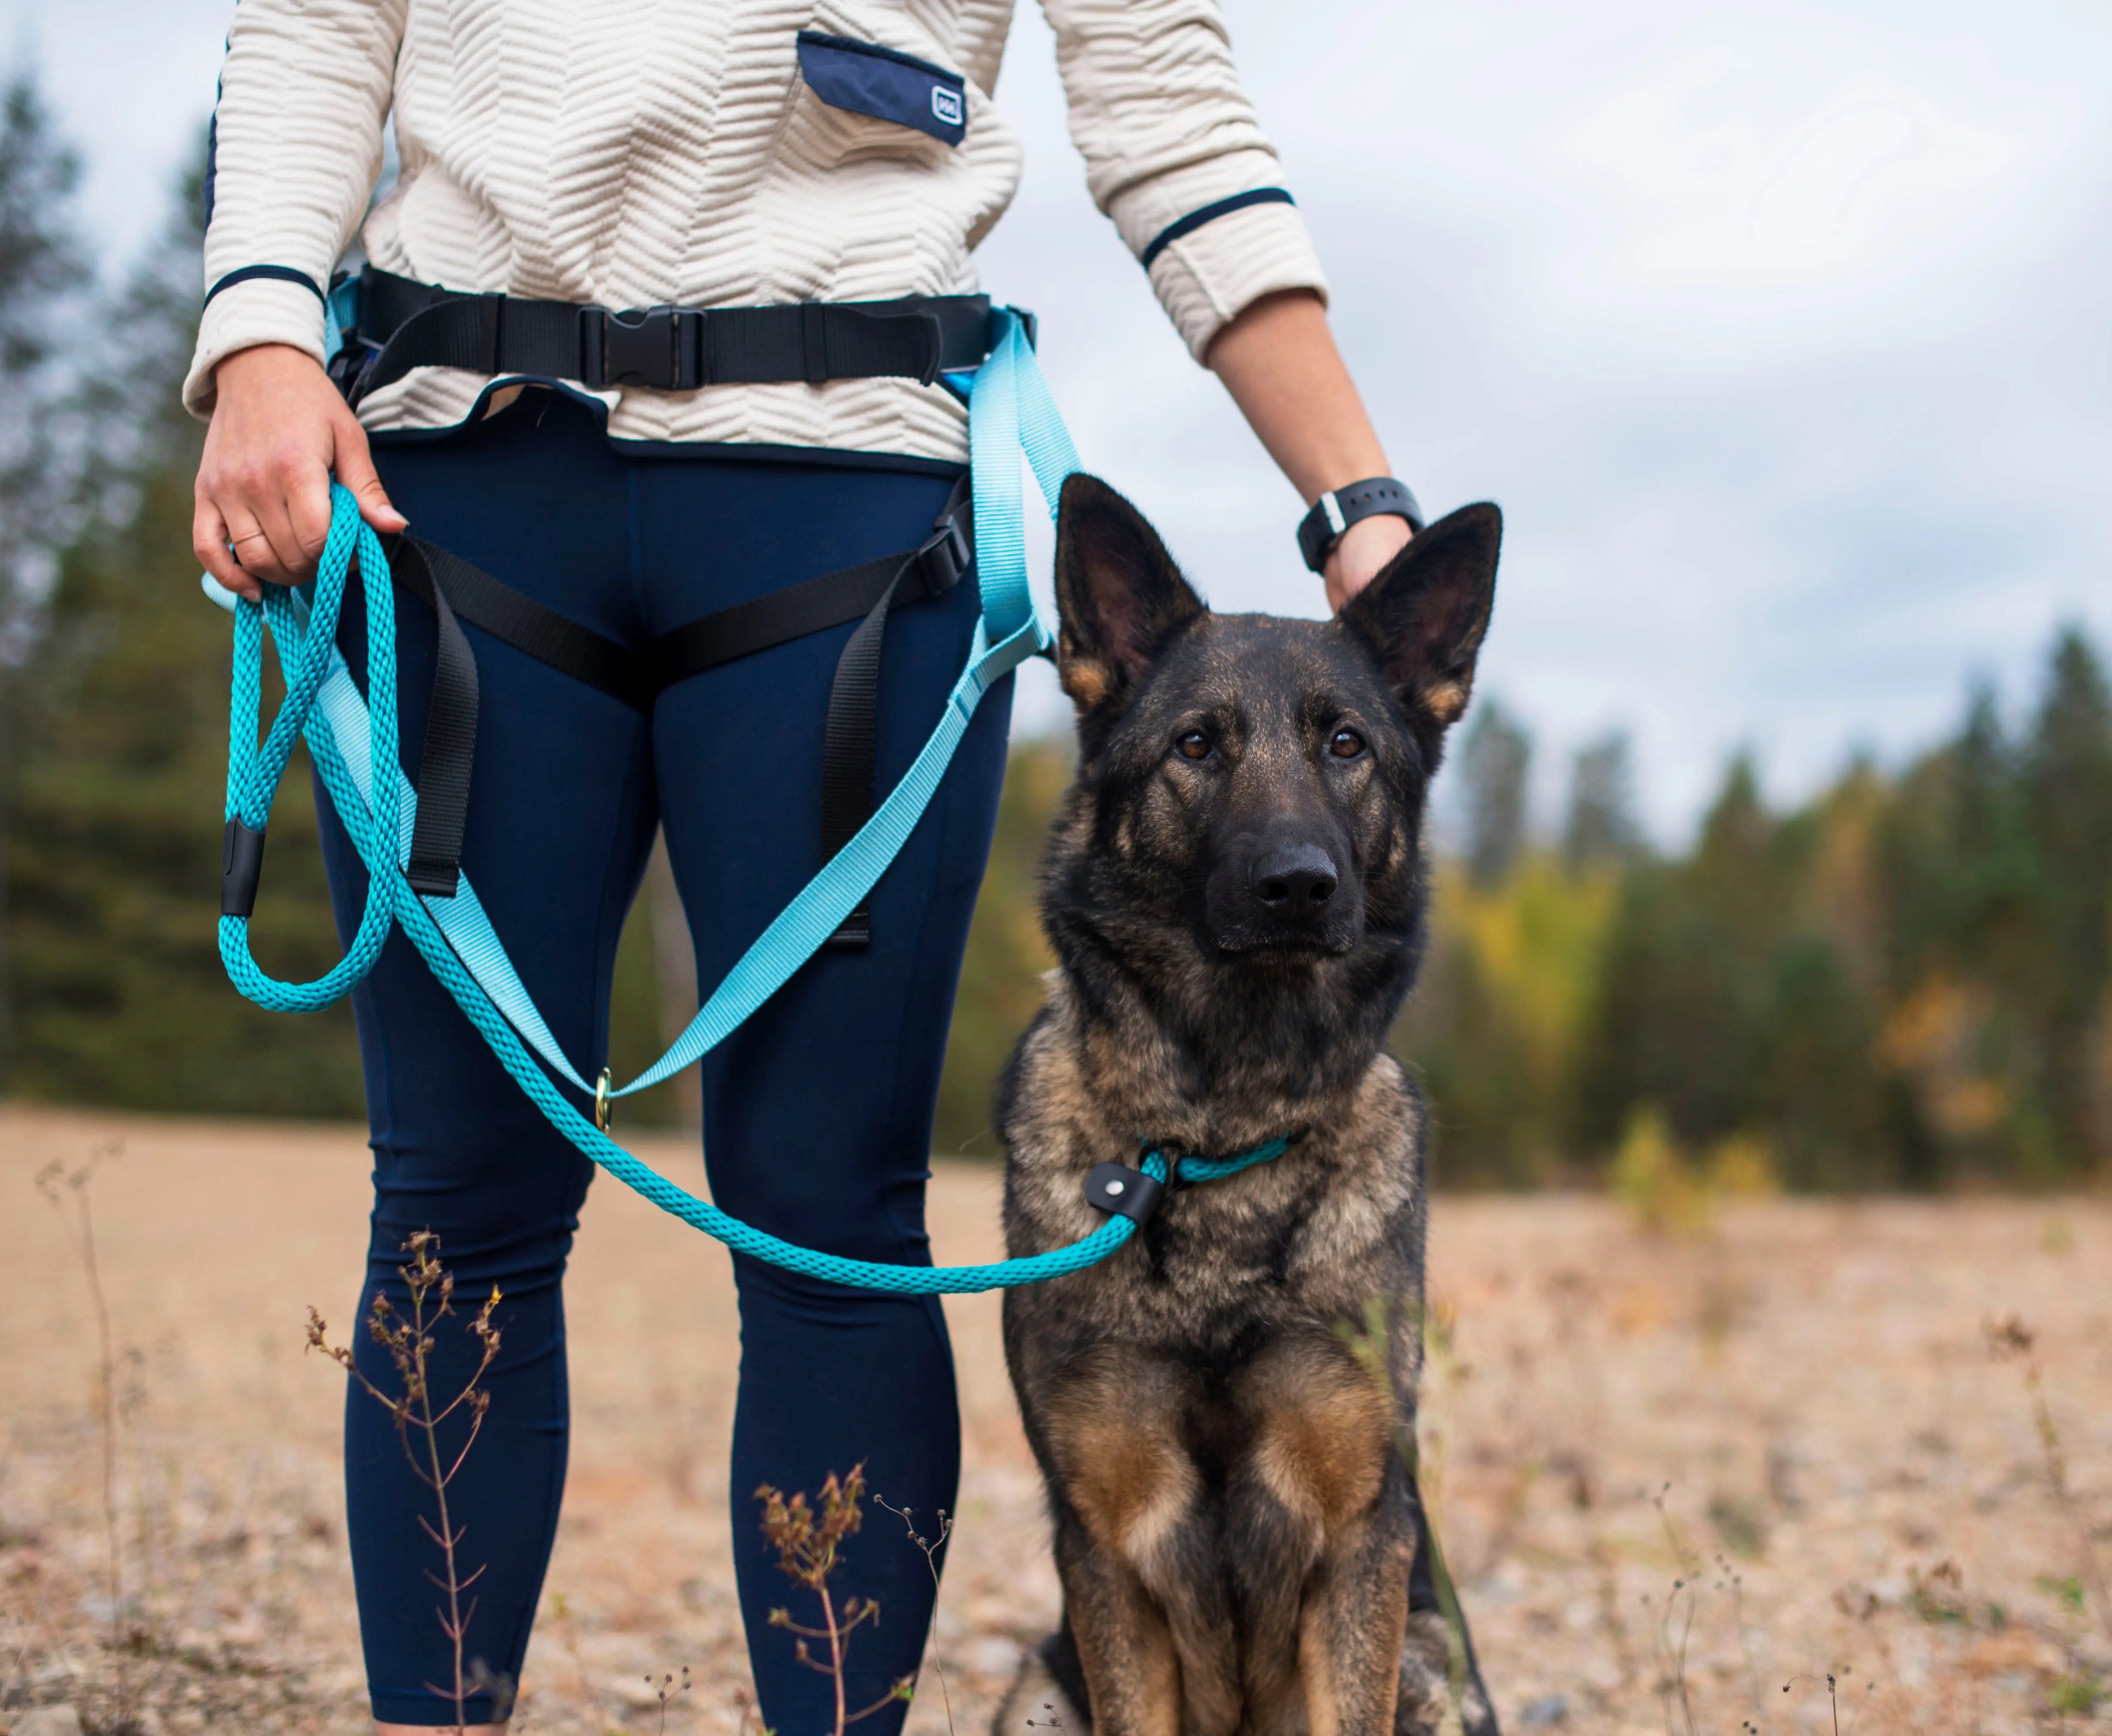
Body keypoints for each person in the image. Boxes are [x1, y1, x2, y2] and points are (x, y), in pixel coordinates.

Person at [189, 3, 1455, 1729]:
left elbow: (1165, 99)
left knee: (826, 1222)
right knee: (456, 1210)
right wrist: (262, 326)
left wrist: (1355, 497)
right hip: (453, 476)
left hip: (852, 499)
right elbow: (324, 22)